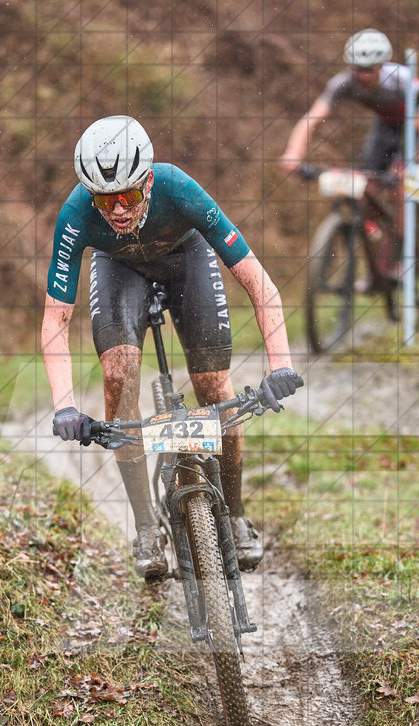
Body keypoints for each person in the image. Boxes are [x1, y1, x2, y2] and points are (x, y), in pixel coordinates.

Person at [42, 115, 302, 580]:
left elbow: (259, 284)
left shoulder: (180, 189)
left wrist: (280, 365)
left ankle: (237, 512)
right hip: (120, 270)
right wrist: (64, 407)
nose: (118, 210)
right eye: (105, 200)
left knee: (215, 389)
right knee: (118, 378)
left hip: (188, 260)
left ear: (149, 180)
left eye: (128, 196)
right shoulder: (75, 214)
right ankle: (145, 527)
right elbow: (55, 321)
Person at [281, 29, 419, 175]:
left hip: (411, 129)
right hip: (384, 126)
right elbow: (311, 119)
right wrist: (294, 152)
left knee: (401, 184)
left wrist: (414, 165)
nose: (364, 76)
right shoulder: (343, 83)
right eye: (359, 69)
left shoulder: (403, 79)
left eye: (370, 70)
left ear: (381, 66)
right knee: (367, 185)